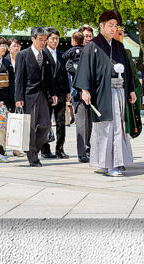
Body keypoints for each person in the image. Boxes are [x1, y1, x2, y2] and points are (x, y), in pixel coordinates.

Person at [73, 10, 136, 177]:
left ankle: (114, 162)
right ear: (101, 26)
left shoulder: (118, 46)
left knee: (119, 126)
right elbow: (85, 68)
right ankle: (109, 164)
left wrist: (131, 89)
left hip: (119, 90)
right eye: (110, 25)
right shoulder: (92, 45)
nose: (113, 28)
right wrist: (85, 90)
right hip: (103, 92)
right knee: (106, 127)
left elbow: (128, 70)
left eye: (115, 25)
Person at [14, 27, 58, 167]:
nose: (43, 43)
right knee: (30, 127)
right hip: (29, 95)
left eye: (45, 40)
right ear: (33, 39)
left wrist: (53, 93)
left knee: (45, 125)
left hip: (43, 95)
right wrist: (18, 98)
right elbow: (18, 78)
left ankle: (32, 150)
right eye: (40, 40)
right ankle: (33, 157)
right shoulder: (23, 55)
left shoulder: (45, 55)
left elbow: (50, 77)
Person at [40, 27, 70, 159]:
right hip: (47, 93)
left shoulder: (62, 55)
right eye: (52, 38)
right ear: (47, 40)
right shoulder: (42, 53)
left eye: (57, 38)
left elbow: (65, 75)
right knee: (45, 122)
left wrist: (68, 91)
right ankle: (45, 149)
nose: (55, 41)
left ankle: (60, 149)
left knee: (61, 122)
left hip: (61, 92)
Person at [63, 31, 91, 162]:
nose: (87, 39)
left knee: (89, 124)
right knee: (82, 123)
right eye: (86, 36)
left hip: (91, 92)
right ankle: (82, 153)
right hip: (79, 93)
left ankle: (89, 150)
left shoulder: (89, 52)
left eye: (90, 36)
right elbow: (68, 66)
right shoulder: (79, 56)